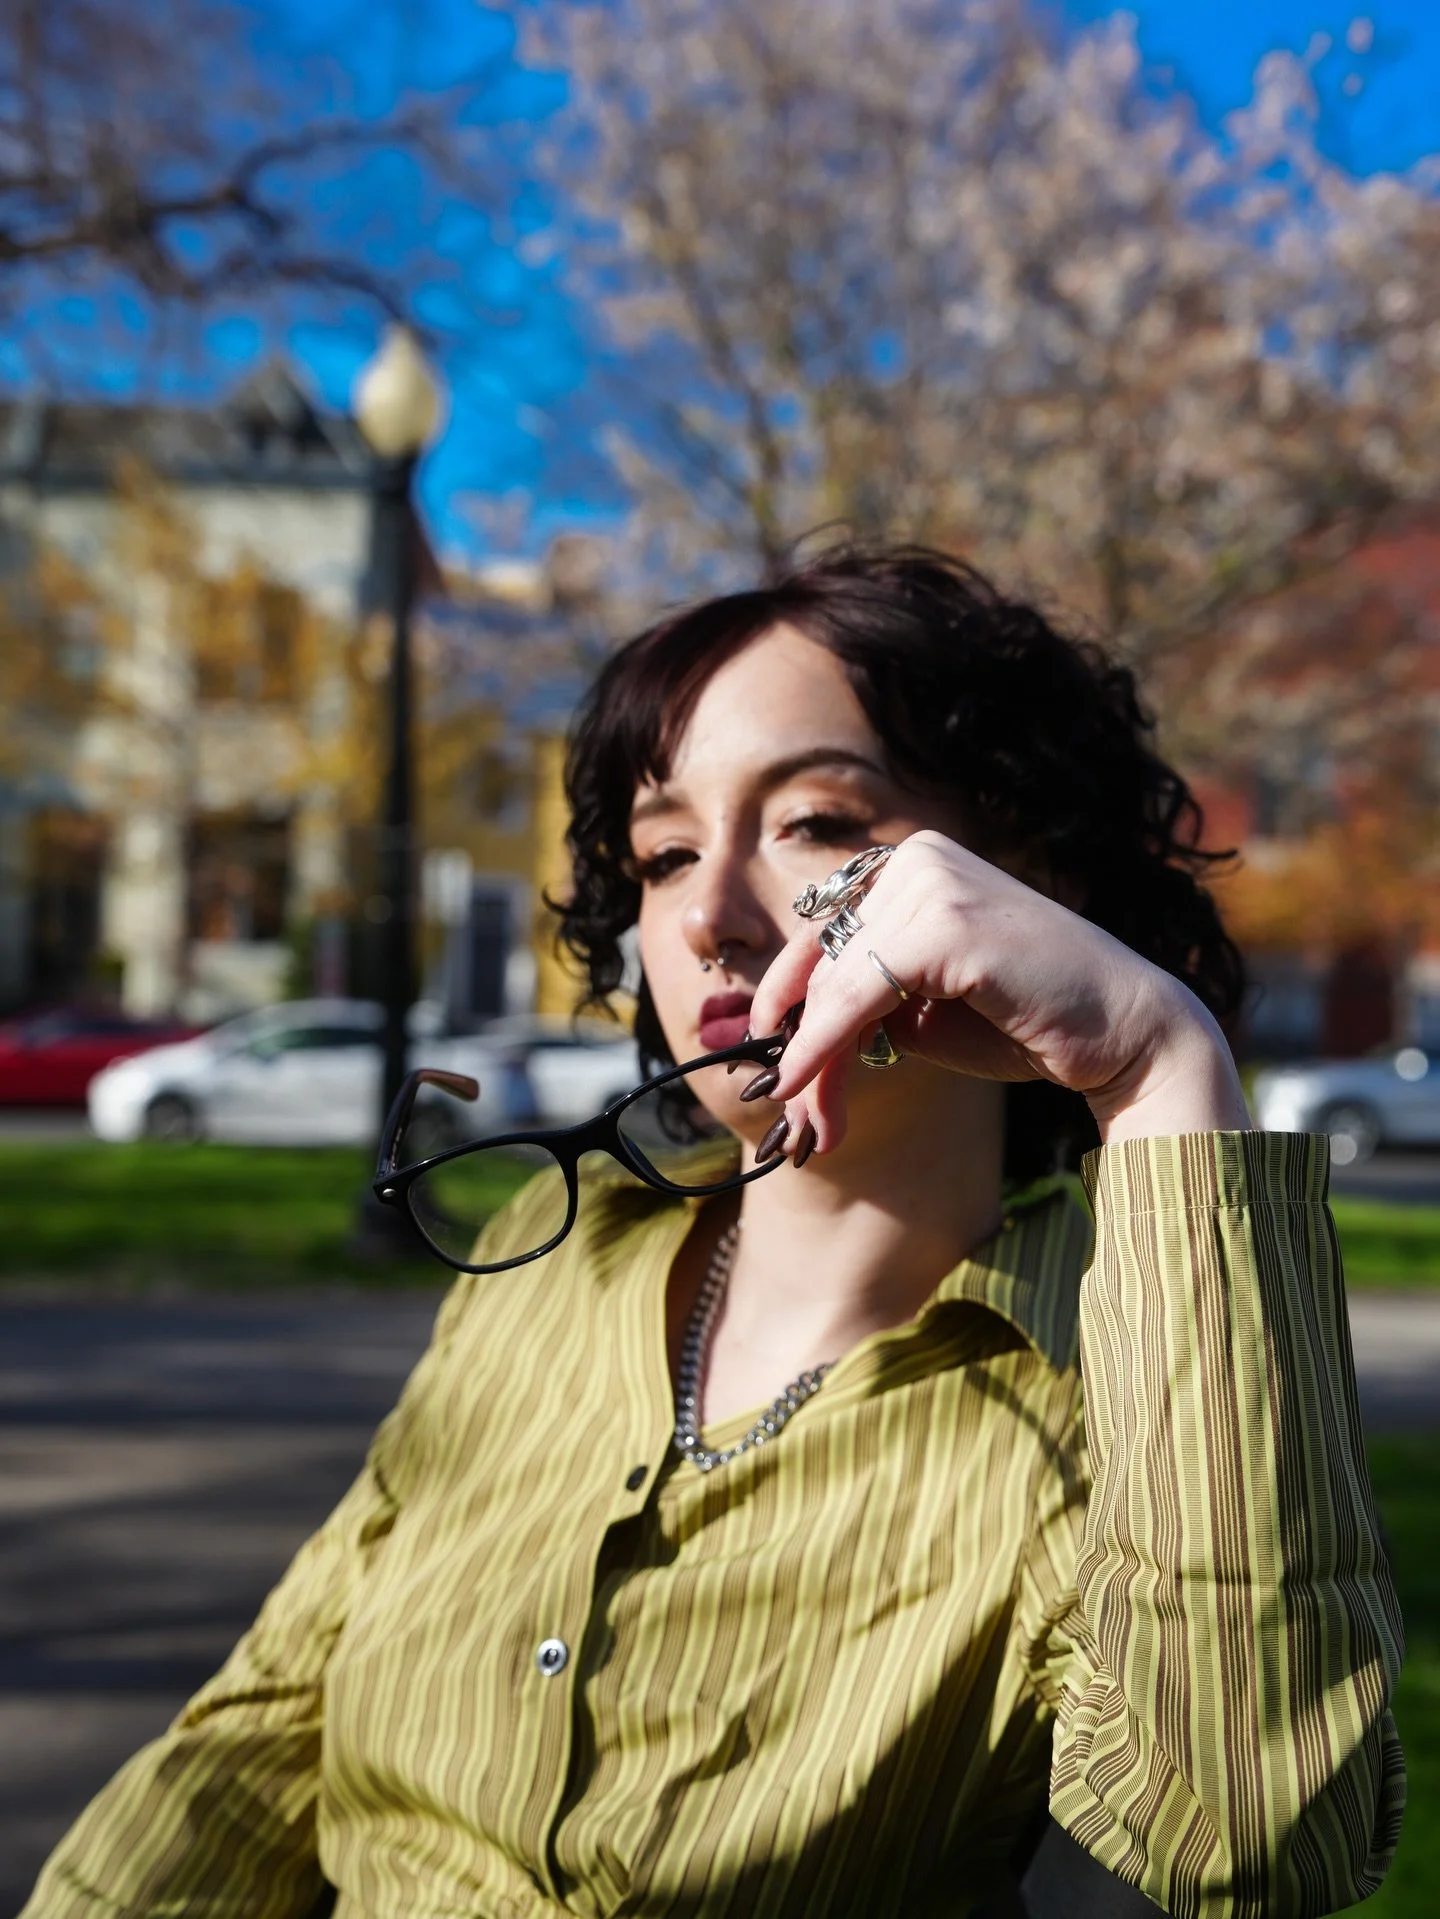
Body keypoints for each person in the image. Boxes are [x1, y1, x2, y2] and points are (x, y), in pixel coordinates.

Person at [25, 543, 1403, 1918]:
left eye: (813, 822)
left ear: (1027, 878)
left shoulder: (1123, 1382)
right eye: (664, 851)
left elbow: (1257, 1836)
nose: (706, 914)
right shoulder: (555, 1254)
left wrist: (1159, 1068)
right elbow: (262, 1732)